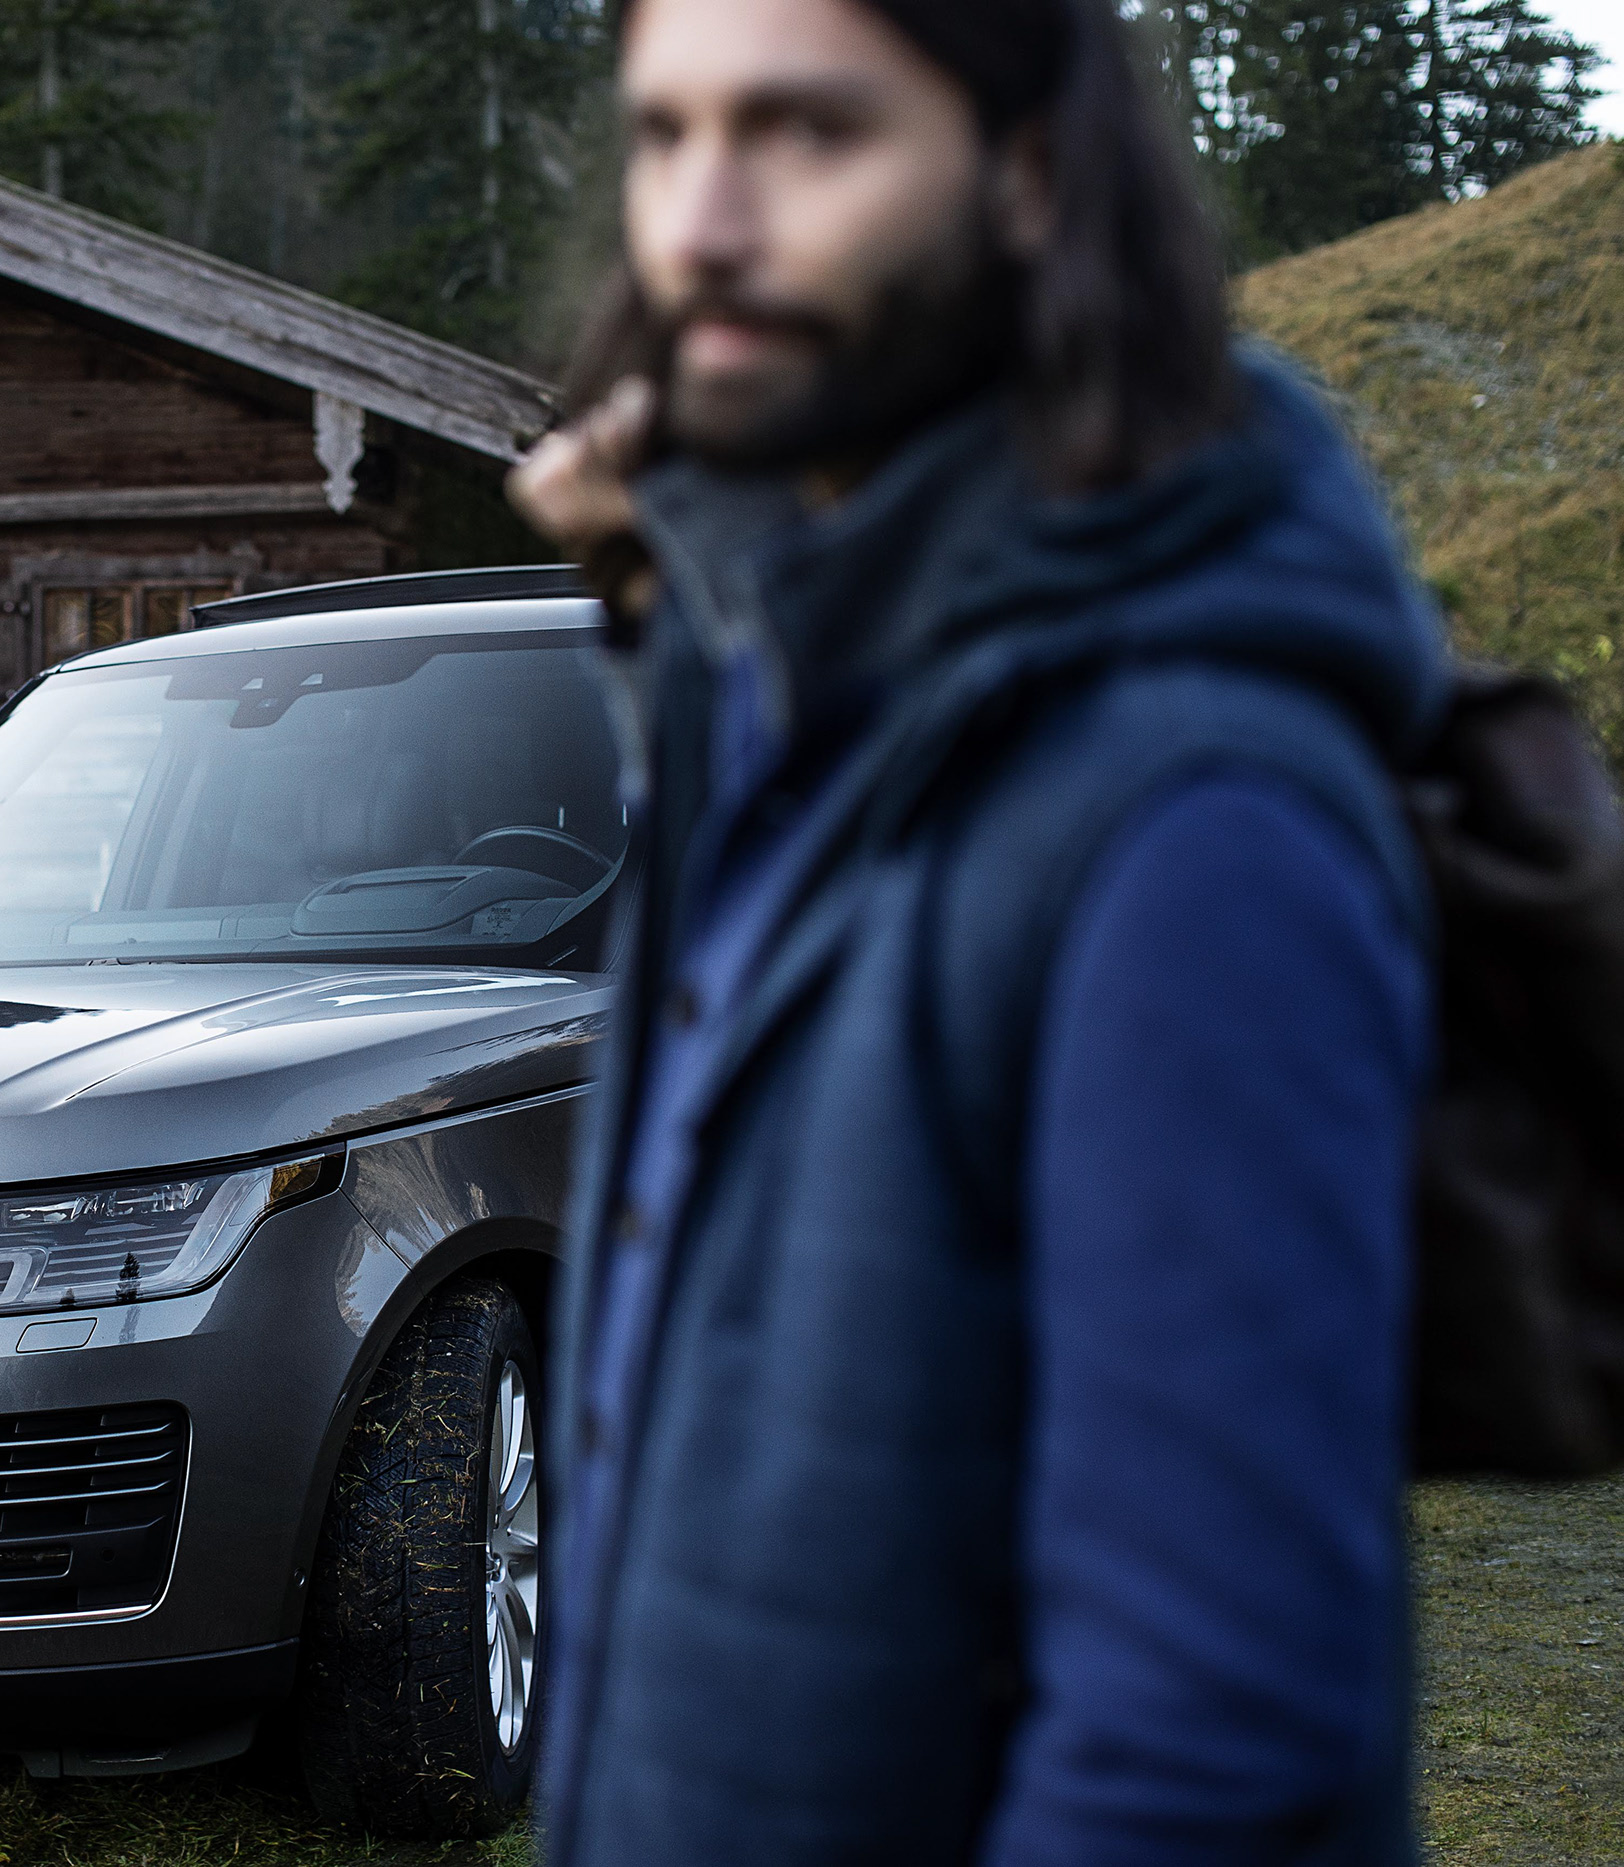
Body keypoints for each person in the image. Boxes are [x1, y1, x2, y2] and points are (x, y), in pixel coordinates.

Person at [508, 1, 1444, 1863]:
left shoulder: (1190, 819)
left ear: (1029, 176)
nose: (700, 225)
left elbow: (1209, 1748)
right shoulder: (815, 713)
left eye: (808, 132)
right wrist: (668, 574)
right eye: (666, 133)